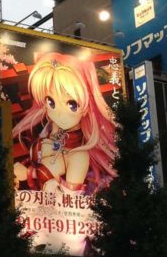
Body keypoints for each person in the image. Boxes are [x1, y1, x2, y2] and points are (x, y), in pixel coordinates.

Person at [13, 52, 117, 195]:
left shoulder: (79, 156)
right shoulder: (51, 132)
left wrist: (31, 175)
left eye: (72, 104)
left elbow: (72, 206)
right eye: (50, 101)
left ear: (88, 105)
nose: (60, 114)